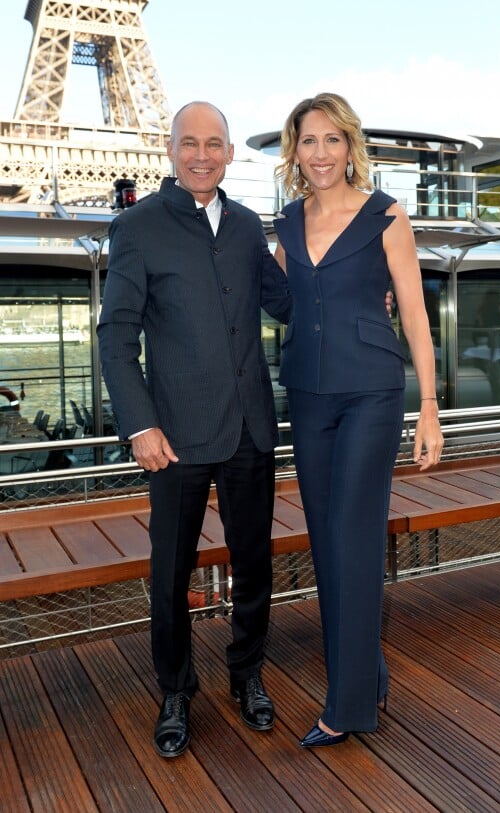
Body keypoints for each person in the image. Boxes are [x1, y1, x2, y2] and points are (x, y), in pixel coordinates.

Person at [97, 101, 293, 758]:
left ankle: (246, 674)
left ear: (230, 152)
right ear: (171, 149)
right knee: (170, 568)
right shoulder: (138, 227)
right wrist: (139, 423)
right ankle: (176, 689)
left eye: (214, 143)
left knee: (255, 563)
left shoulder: (244, 227)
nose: (202, 154)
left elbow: (285, 300)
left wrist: (351, 276)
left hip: (249, 428)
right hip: (173, 433)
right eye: (190, 143)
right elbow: (116, 336)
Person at [273, 92, 443, 748]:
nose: (320, 153)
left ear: (350, 146)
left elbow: (415, 313)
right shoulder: (286, 224)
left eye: (331, 140)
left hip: (372, 393)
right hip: (308, 394)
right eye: (308, 141)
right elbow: (284, 305)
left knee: (357, 539)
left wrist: (428, 408)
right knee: (327, 541)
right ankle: (366, 673)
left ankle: (345, 706)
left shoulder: (384, 216)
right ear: (296, 151)